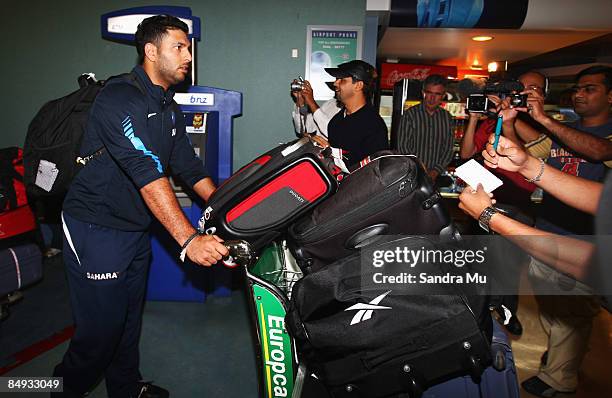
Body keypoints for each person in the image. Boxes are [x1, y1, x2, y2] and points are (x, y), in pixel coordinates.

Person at [53, 15, 228, 398]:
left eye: (189, 46)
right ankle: (53, 390)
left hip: (133, 229)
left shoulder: (167, 105)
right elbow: (147, 173)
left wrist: (227, 209)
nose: (188, 54)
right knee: (100, 333)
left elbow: (187, 165)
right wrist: (188, 240)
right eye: (179, 46)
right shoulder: (119, 98)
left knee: (129, 320)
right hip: (94, 228)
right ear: (151, 51)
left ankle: (125, 388)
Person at [464, 65, 612, 398]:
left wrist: (543, 118)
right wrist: (514, 125)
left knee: (572, 313)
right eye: (578, 88)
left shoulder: (586, 133)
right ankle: (565, 360)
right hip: (548, 229)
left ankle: (560, 378)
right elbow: (528, 158)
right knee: (555, 310)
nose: (579, 94)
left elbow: (599, 152)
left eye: (590, 89)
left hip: (585, 238)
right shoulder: (565, 130)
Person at [323, 60, 388, 167]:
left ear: (358, 85)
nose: (335, 83)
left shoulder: (373, 126)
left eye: (342, 80)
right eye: (336, 80)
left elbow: (376, 170)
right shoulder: (336, 121)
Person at [397, 74, 454, 182]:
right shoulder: (410, 114)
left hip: (437, 177)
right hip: (412, 174)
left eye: (437, 94)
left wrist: (435, 171)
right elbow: (403, 148)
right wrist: (421, 169)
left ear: (443, 96)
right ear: (423, 93)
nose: (432, 98)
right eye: (429, 93)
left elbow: (448, 149)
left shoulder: (447, 117)